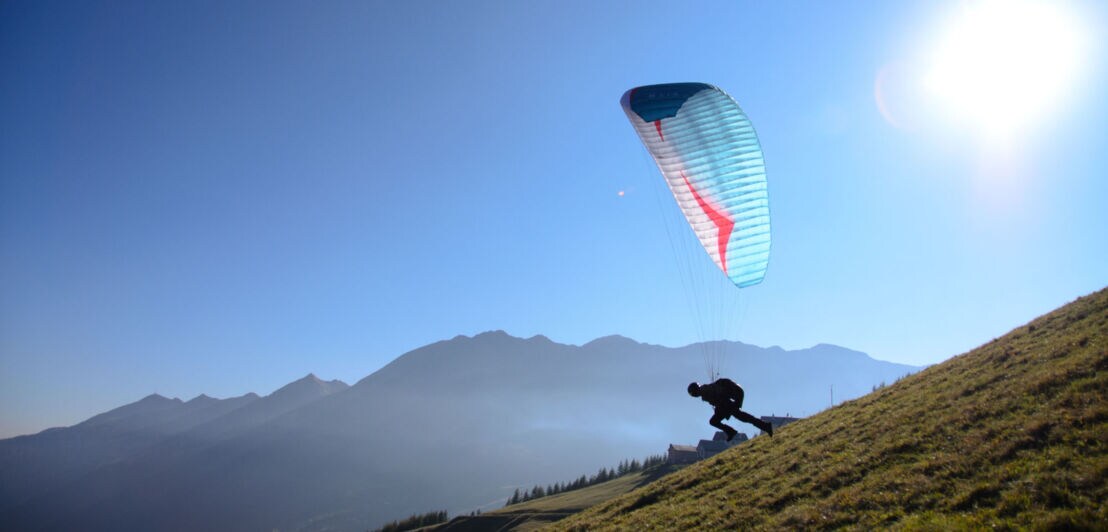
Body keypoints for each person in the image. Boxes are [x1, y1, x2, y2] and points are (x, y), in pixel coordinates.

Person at [687, 378, 773, 440]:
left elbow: (722, 396)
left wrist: (724, 409)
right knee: (741, 417)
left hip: (735, 394)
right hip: (733, 396)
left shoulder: (706, 391)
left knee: (741, 417)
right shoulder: (705, 390)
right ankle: (765, 426)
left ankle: (765, 426)